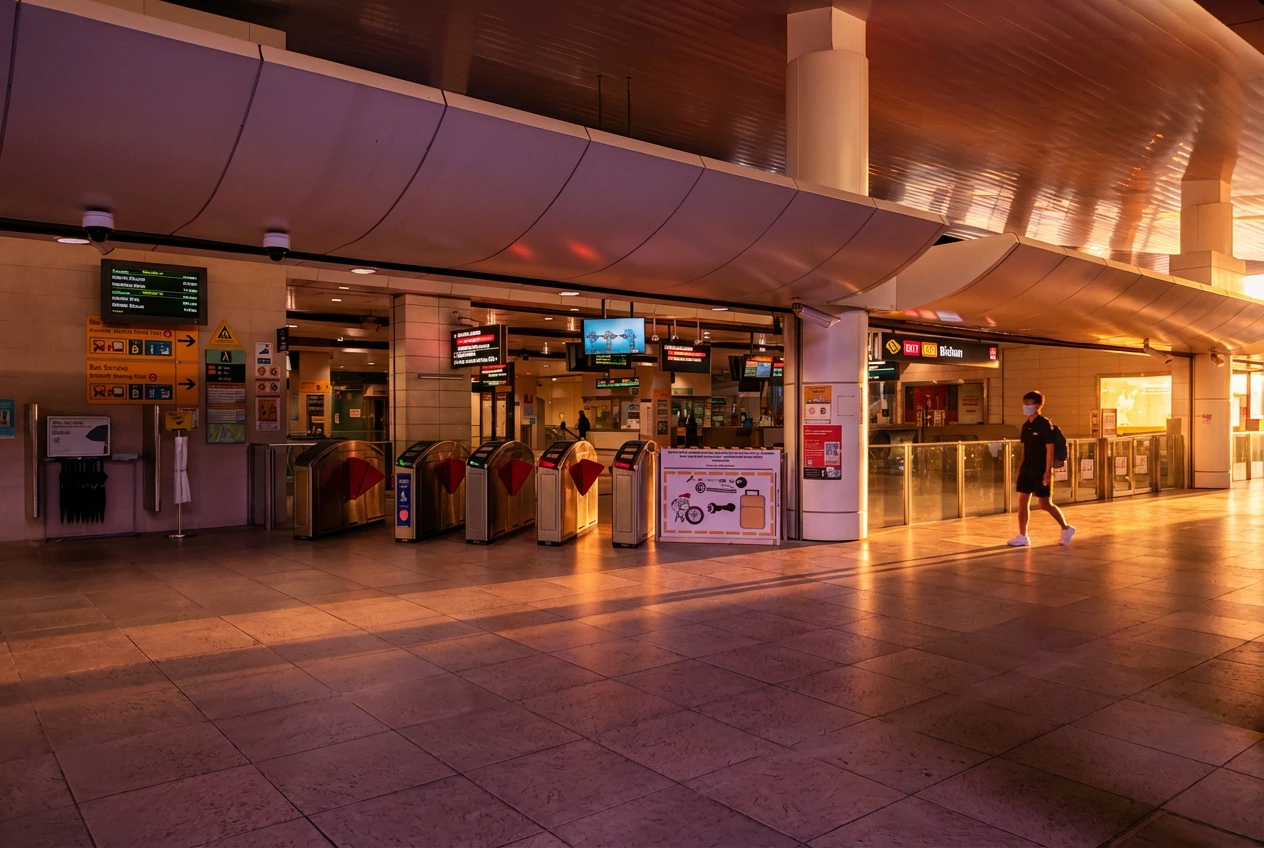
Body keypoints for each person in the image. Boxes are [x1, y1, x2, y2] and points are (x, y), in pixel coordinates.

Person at [1009, 390, 1075, 547]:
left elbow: (1050, 449)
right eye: (1025, 403)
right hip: (1027, 469)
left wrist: (1047, 471)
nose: (1026, 407)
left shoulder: (1044, 424)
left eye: (1029, 404)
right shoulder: (1026, 426)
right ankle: (1022, 535)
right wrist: (1021, 468)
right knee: (1022, 502)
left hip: (1040, 469)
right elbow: (1026, 449)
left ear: (1038, 405)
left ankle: (1066, 528)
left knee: (1044, 504)